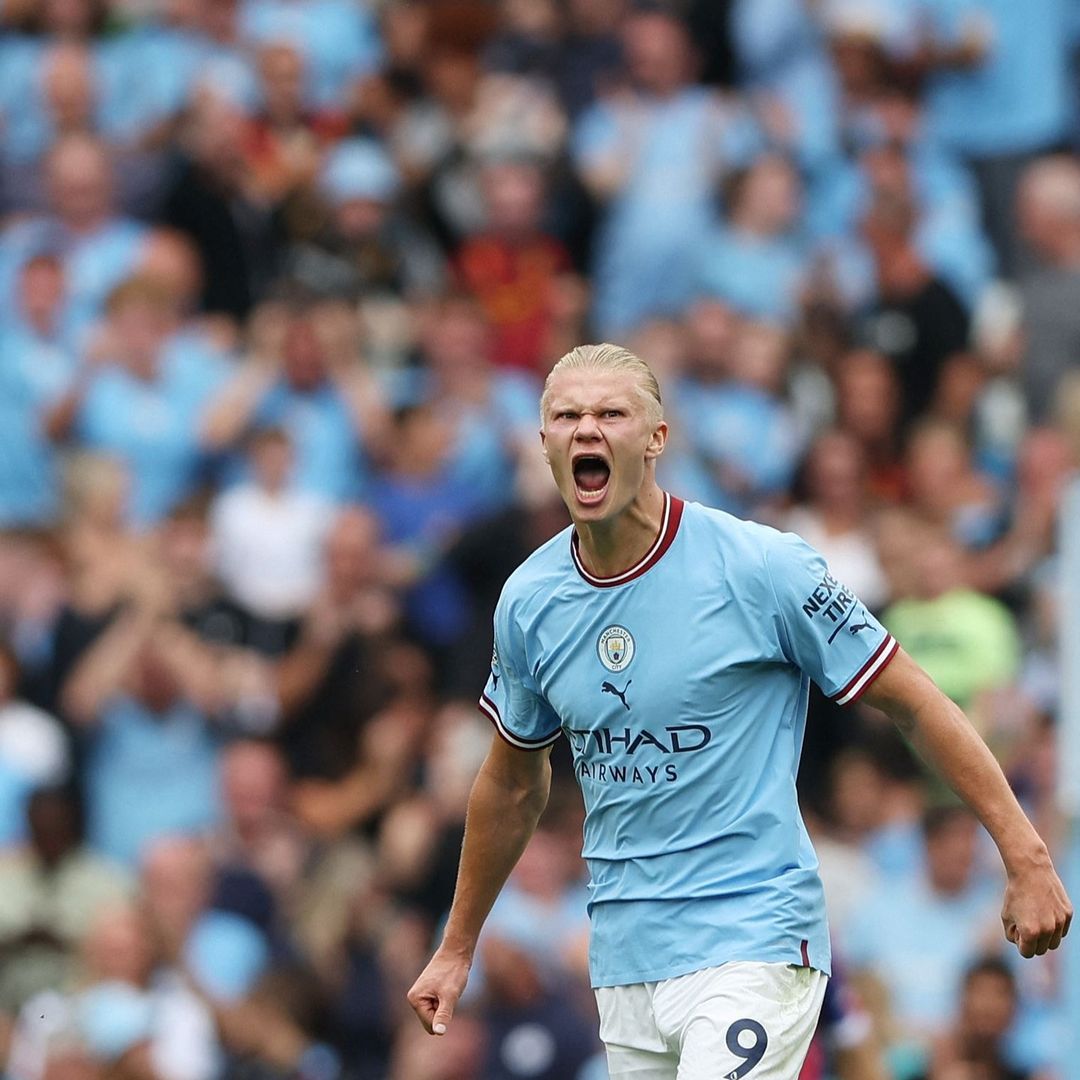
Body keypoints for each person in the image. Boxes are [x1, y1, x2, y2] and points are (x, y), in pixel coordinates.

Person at [407, 343, 1072, 1079]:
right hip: (626, 960)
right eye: (567, 415)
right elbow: (511, 782)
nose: (586, 429)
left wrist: (1026, 854)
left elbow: (913, 700)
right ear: (544, 444)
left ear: (657, 439)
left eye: (611, 413)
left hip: (753, 937)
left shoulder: (761, 567)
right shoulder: (530, 602)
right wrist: (458, 945)